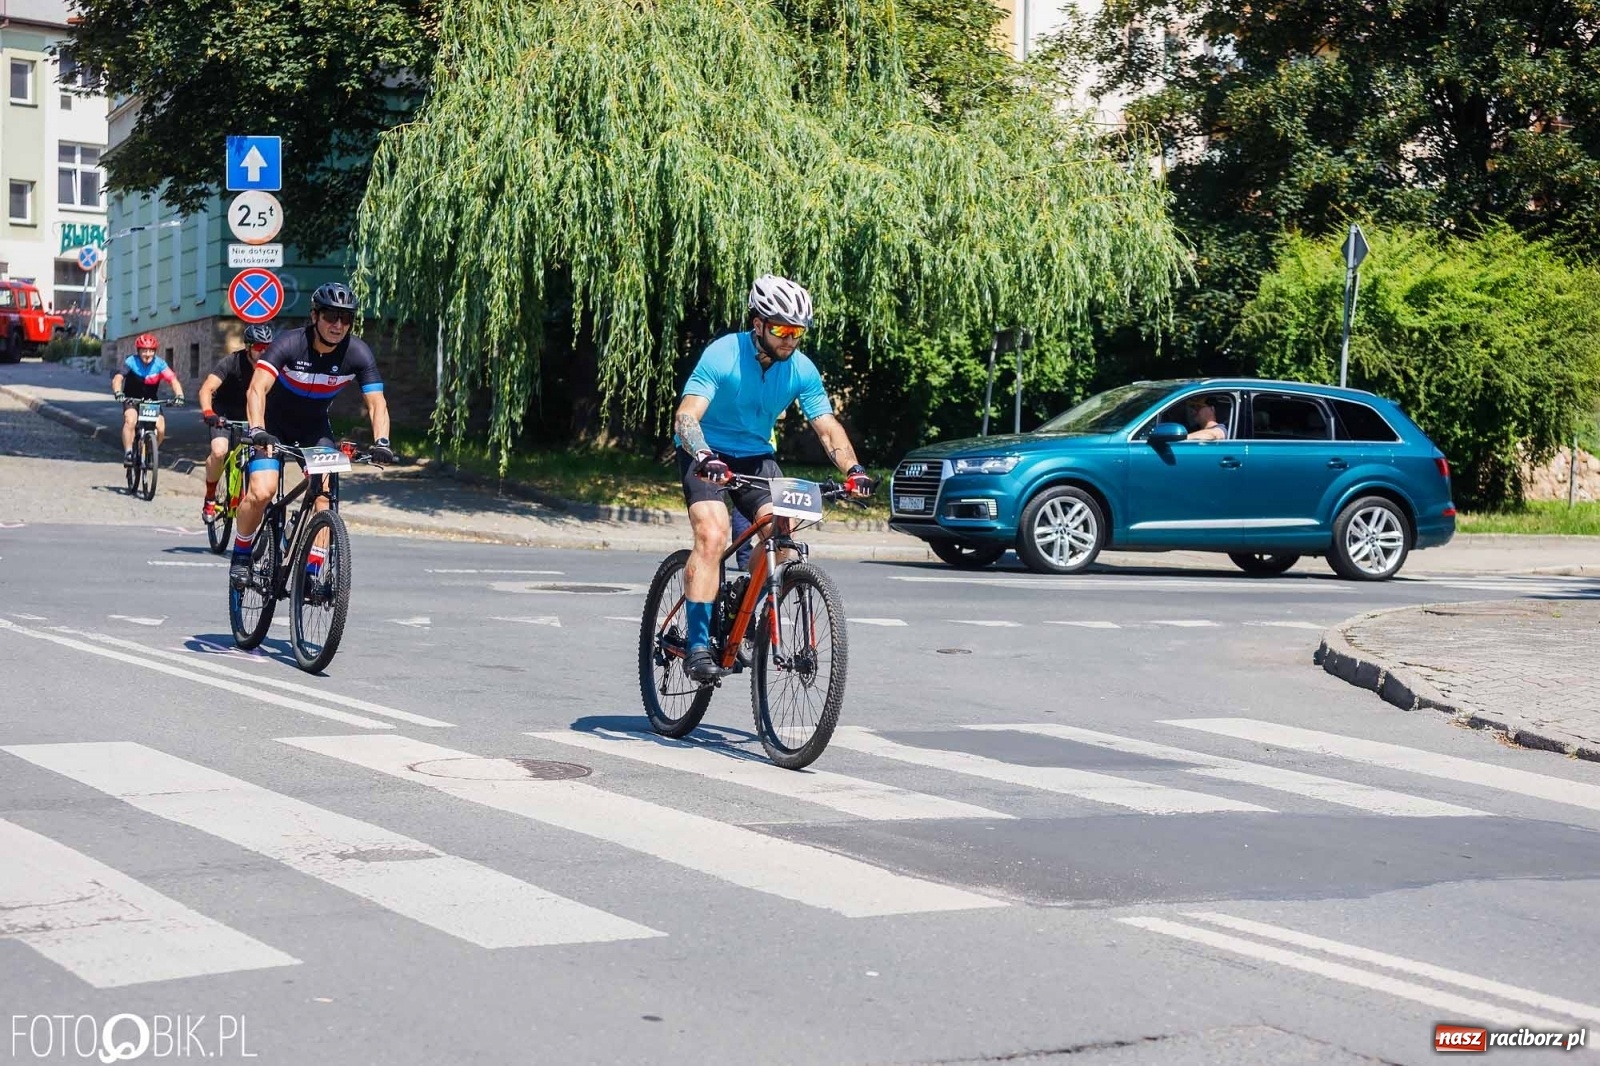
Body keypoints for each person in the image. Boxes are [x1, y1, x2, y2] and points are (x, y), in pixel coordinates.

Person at [672, 274, 872, 681]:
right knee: (713, 534)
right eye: (781, 329)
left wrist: (853, 470)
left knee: (784, 536)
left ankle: (745, 612)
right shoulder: (723, 354)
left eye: (797, 332)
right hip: (706, 452)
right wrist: (704, 453)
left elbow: (827, 427)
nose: (789, 339)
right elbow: (687, 416)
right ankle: (695, 645)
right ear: (758, 323)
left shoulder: (800, 369)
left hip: (757, 457)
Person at [228, 282, 394, 588]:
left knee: (324, 496)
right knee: (263, 491)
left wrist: (382, 441)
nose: (338, 325)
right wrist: (257, 429)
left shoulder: (356, 352)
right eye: (331, 316)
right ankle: (241, 553)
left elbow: (377, 403)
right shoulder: (290, 343)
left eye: (346, 318)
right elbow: (257, 388)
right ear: (314, 316)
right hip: (272, 426)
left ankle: (312, 572)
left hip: (314, 428)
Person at [198, 322, 275, 523]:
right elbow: (206, 389)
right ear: (248, 347)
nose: (264, 351)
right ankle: (210, 497)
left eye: (268, 347)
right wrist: (208, 412)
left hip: (252, 413)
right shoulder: (231, 362)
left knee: (262, 454)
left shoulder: (272, 367)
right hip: (223, 412)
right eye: (259, 347)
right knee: (219, 451)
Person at [111, 333, 185, 466]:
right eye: (144, 351)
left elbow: (173, 380)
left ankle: (151, 451)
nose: (147, 354)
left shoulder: (160, 364)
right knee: (131, 420)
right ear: (138, 351)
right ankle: (128, 452)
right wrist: (118, 392)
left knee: (161, 428)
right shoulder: (131, 362)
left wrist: (179, 395)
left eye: (151, 351)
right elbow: (118, 378)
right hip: (131, 399)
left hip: (150, 401)